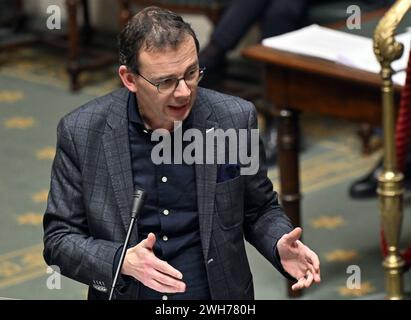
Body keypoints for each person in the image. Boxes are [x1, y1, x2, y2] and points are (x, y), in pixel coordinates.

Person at [43, 6, 320, 300]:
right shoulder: (83, 133)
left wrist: (278, 241)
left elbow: (258, 208)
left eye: (191, 73)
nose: (184, 92)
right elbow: (59, 240)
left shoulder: (234, 120)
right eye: (165, 81)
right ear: (129, 79)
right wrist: (120, 261)